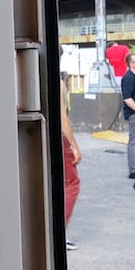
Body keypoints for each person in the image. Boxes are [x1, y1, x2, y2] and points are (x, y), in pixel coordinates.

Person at [59, 75, 82, 250]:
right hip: (58, 139)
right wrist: (73, 145)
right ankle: (59, 232)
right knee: (71, 183)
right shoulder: (58, 83)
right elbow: (62, 118)